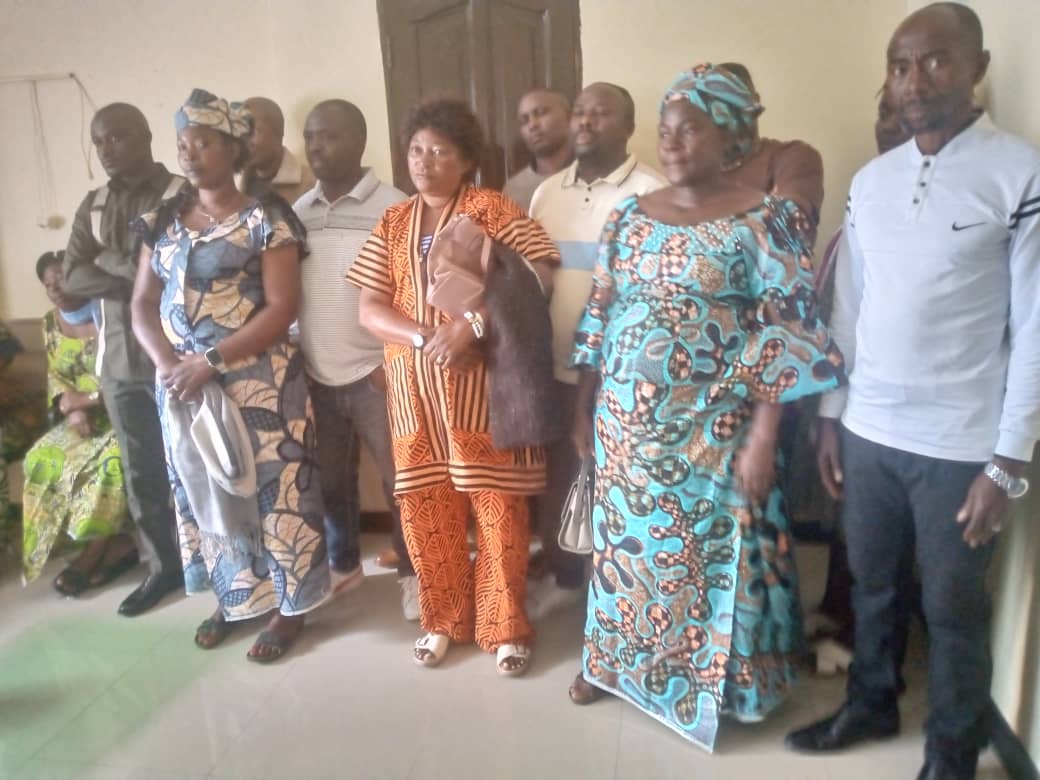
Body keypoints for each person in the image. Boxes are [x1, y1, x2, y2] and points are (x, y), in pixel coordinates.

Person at [784, 6, 1040, 779]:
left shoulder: (1019, 173)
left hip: (961, 443)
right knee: (871, 585)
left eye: (935, 61)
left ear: (978, 67)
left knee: (953, 608)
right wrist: (831, 417)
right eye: (900, 66)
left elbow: (1034, 327)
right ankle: (871, 702)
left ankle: (951, 753)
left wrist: (1009, 462)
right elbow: (849, 310)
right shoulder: (872, 183)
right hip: (868, 432)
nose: (915, 81)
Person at [565, 64, 844, 752]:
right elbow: (601, 313)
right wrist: (583, 407)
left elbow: (786, 331)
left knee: (719, 554)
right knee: (628, 550)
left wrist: (764, 436)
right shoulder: (629, 216)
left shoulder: (765, 220)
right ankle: (616, 662)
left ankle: (725, 684)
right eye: (666, 130)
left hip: (717, 430)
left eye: (689, 129)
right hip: (626, 427)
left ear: (731, 136)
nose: (671, 141)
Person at [348, 97, 560, 675]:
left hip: (484, 391)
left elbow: (539, 275)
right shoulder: (393, 222)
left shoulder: (492, 209)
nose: (424, 162)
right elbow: (369, 307)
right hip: (413, 395)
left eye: (440, 151)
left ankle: (505, 625)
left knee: (497, 507)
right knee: (425, 507)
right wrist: (423, 336)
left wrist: (472, 324)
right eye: (417, 150)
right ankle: (443, 619)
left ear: (466, 159)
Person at [131, 89, 330, 663]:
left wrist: (209, 361)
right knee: (209, 491)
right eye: (183, 145)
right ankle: (235, 596)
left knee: (275, 490)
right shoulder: (162, 222)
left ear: (232, 148)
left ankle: (288, 606)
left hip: (260, 381)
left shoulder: (267, 219)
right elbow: (141, 304)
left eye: (203, 143)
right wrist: (169, 365)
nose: (190, 155)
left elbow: (281, 307)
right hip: (184, 387)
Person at [527, 82, 665, 620]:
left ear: (628, 126)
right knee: (562, 480)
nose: (585, 121)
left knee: (623, 487)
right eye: (580, 112)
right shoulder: (547, 193)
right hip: (555, 367)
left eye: (601, 113)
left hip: (623, 377)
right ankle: (569, 579)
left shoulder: (652, 191)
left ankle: (620, 595)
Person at [293, 99, 418, 618]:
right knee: (331, 480)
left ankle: (414, 573)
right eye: (310, 136)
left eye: (329, 136)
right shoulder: (299, 212)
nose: (316, 147)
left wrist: (395, 359)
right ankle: (343, 566)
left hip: (376, 374)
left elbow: (413, 294)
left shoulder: (395, 205)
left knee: (400, 480)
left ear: (359, 141)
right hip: (317, 374)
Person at [63, 102, 187, 617]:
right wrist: (135, 276)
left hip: (177, 356)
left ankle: (216, 564)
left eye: (115, 137)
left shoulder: (181, 193)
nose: (106, 149)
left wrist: (108, 262)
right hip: (118, 364)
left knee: (196, 465)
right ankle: (163, 568)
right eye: (98, 141)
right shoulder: (93, 205)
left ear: (144, 134)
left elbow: (180, 269)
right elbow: (71, 276)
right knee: (141, 475)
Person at [21, 251, 132, 588]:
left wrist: (90, 400)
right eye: (48, 284)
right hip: (80, 418)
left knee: (110, 462)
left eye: (61, 278)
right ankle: (112, 544)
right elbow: (57, 376)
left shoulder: (111, 311)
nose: (55, 288)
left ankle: (94, 551)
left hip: (123, 413)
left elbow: (129, 374)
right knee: (41, 457)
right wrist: (73, 408)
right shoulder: (49, 322)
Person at [718, 62, 825, 242]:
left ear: (755, 103)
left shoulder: (792, 158)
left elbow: (789, 231)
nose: (729, 117)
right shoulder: (692, 175)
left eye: (737, 103)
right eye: (717, 109)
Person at [503, 88, 573, 210]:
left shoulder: (596, 176)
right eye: (524, 120)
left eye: (540, 113)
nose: (532, 125)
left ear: (569, 117)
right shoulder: (513, 190)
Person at [240, 96, 315, 204]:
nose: (245, 141)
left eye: (253, 132)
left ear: (278, 132)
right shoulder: (236, 182)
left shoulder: (310, 184)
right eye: (241, 132)